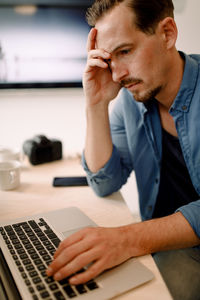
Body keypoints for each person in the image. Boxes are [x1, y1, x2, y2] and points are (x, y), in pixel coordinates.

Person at [47, 1, 200, 299]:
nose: (116, 75)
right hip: (157, 244)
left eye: (125, 51)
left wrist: (127, 239)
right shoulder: (133, 98)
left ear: (167, 34)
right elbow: (105, 182)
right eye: (108, 59)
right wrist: (96, 103)